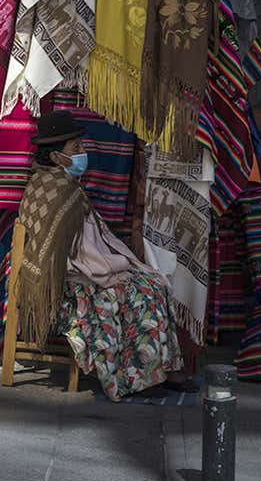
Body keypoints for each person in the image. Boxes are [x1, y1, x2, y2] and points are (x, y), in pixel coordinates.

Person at [14, 110, 190, 401]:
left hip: (73, 272)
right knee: (149, 290)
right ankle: (134, 377)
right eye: (76, 148)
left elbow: (85, 245)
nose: (83, 153)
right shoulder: (59, 191)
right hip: (69, 283)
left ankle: (157, 372)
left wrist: (122, 265)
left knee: (148, 284)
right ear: (57, 157)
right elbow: (85, 255)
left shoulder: (47, 182)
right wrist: (123, 265)